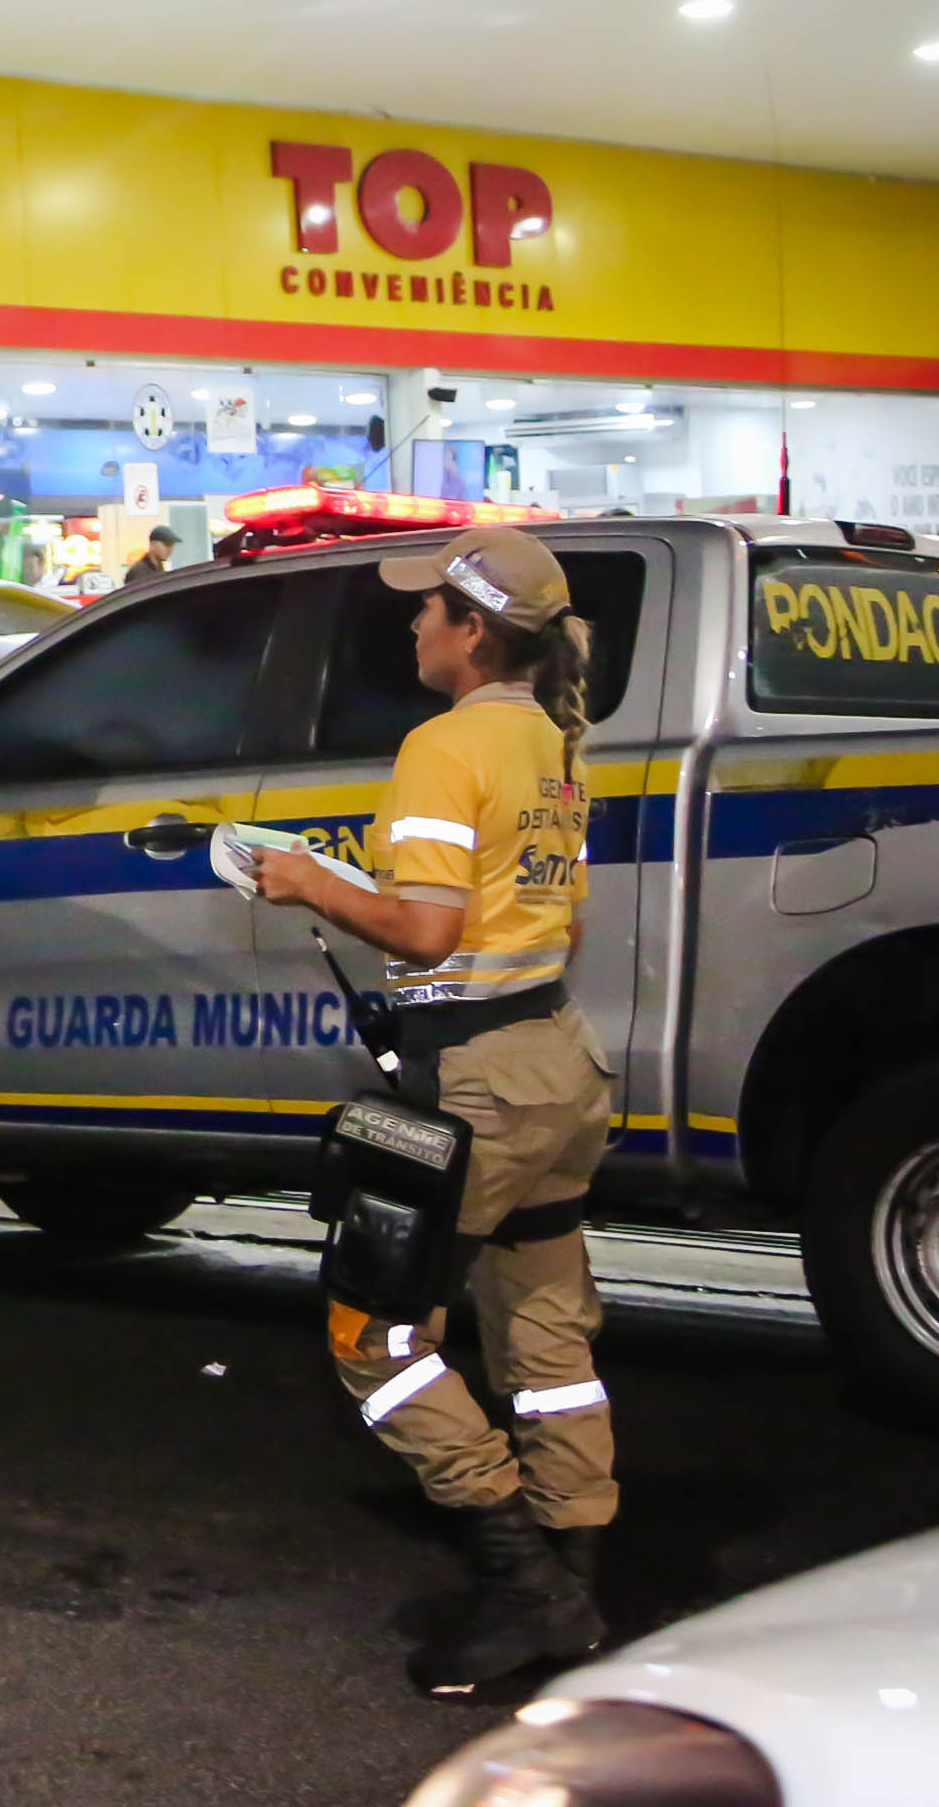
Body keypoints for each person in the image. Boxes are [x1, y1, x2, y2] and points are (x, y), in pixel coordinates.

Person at [252, 524, 612, 1696]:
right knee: (546, 1333)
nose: (411, 625)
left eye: (428, 611)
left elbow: (426, 928)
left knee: (377, 1334)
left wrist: (310, 881)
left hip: (476, 1086)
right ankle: (575, 1570)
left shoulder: (445, 747)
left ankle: (522, 1582)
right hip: (557, 1063)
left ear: (471, 632)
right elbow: (561, 920)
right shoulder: (557, 746)